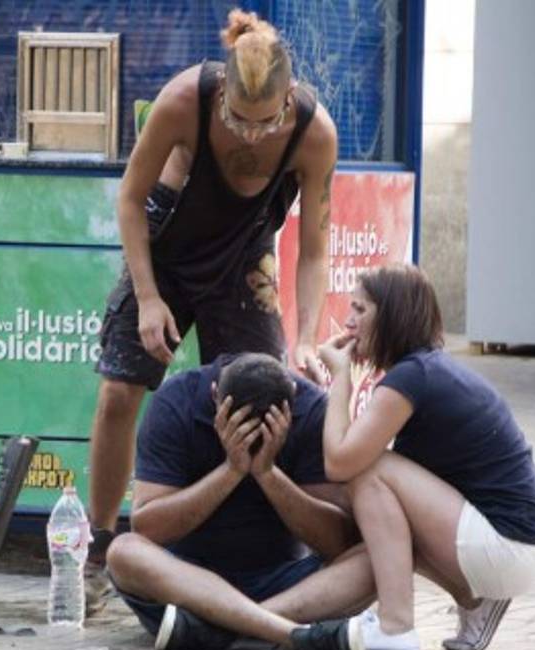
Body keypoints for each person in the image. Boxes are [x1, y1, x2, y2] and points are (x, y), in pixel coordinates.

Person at [87, 8, 338, 581]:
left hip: (244, 262)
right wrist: (149, 299)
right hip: (166, 251)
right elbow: (129, 201)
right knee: (119, 393)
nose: (252, 134)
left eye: (266, 122)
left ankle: (245, 548)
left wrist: (307, 336)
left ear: (290, 97)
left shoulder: (313, 133)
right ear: (221, 89)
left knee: (261, 396)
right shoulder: (184, 100)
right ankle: (102, 543)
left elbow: (317, 247)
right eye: (239, 120)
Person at [313, 265, 535, 650]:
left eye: (360, 309)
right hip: (518, 547)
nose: (349, 321)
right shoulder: (425, 370)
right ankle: (475, 601)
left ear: (390, 315)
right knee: (378, 512)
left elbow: (339, 462)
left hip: (509, 546)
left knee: (368, 471)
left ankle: (395, 627)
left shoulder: (410, 379)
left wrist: (339, 376)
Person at [105, 353, 375, 650]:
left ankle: (224, 630)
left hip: (286, 587)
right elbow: (148, 528)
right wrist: (231, 471)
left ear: (292, 402)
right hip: (187, 585)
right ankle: (288, 633)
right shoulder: (177, 400)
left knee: (381, 556)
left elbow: (338, 543)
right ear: (214, 396)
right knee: (123, 551)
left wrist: (268, 474)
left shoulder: (312, 409)